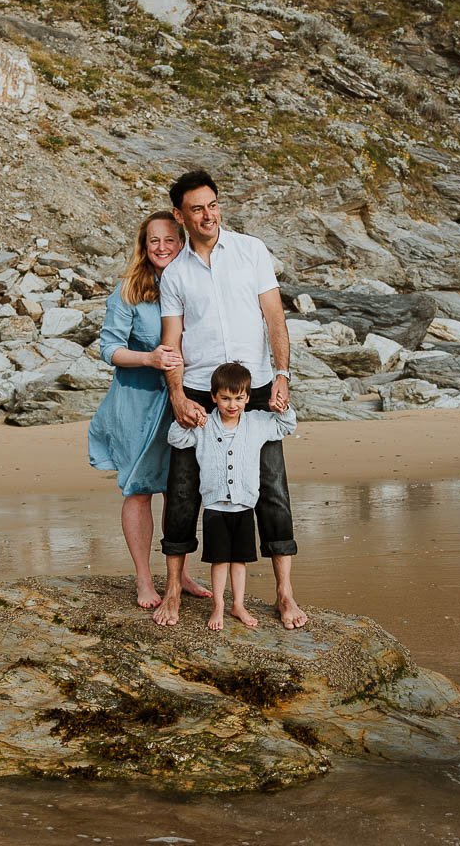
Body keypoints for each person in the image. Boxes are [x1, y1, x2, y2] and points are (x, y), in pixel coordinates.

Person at [153, 169, 309, 629]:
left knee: (272, 490)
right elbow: (171, 344)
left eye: (213, 204)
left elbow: (275, 318)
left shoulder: (251, 251)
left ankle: (284, 594)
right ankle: (173, 594)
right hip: (200, 392)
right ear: (181, 216)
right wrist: (178, 396)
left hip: (255, 388)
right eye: (197, 208)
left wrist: (282, 375)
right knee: (182, 494)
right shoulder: (175, 273)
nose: (208, 215)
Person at [87, 211, 211, 609]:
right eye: (153, 240)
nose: (161, 247)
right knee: (140, 490)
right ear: (144, 246)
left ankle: (181, 573)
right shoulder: (128, 291)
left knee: (183, 489)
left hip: (186, 398)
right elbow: (108, 348)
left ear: (181, 242)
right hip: (137, 404)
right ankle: (143, 579)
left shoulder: (196, 282)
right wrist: (149, 359)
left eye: (169, 240)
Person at [167, 362, 297, 630]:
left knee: (239, 560)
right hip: (215, 507)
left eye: (239, 398)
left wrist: (281, 407)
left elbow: (286, 426)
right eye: (225, 398)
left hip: (244, 507)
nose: (232, 404)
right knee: (219, 560)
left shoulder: (258, 422)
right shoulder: (205, 425)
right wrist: (189, 420)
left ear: (248, 398)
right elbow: (176, 439)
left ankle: (238, 604)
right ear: (213, 396)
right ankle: (218, 606)